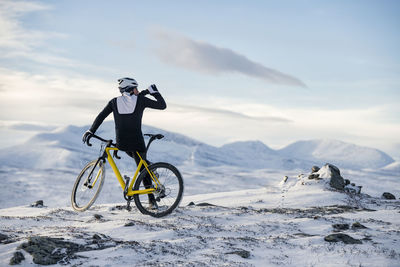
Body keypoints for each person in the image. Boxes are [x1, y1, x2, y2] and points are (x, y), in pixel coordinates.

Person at [82, 77, 166, 209]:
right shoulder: (141, 100)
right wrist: (154, 92)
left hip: (122, 143)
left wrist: (91, 131)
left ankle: (150, 168)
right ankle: (151, 201)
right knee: (143, 168)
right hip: (137, 141)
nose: (138, 91)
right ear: (131, 89)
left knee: (137, 159)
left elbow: (101, 116)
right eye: (136, 88)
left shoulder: (114, 102)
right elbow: (162, 106)